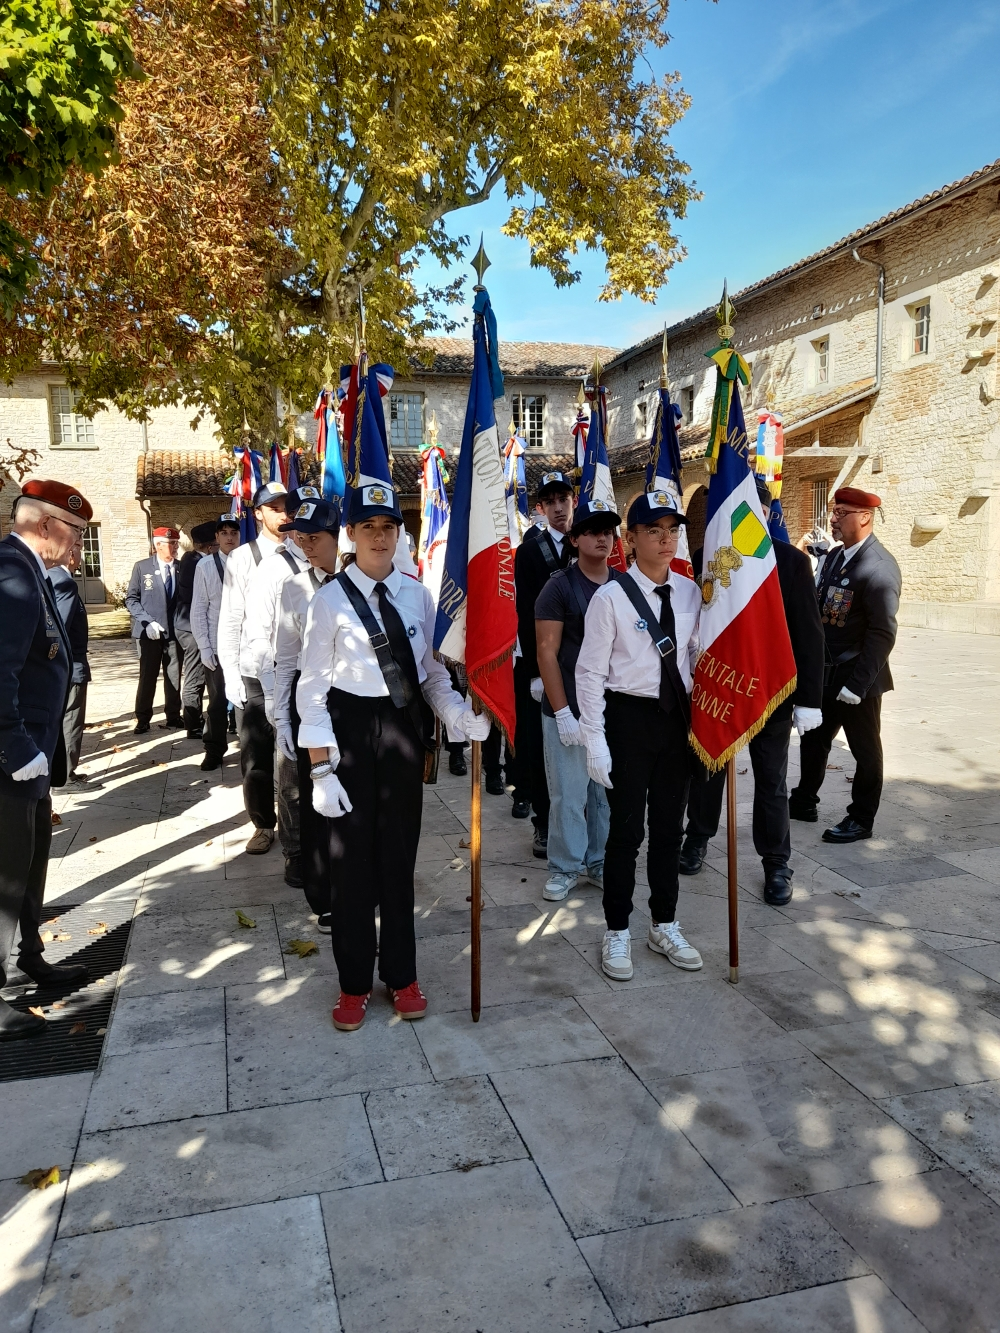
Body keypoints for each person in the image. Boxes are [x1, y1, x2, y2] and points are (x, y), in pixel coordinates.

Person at [296, 481, 489, 1032]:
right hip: (350, 735)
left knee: (398, 863)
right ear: (350, 535)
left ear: (398, 534)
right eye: (368, 528)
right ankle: (354, 983)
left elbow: (430, 674)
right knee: (352, 868)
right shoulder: (329, 600)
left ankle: (401, 973)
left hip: (402, 735)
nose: (379, 537)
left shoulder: (416, 594)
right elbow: (311, 691)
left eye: (389, 528)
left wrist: (455, 716)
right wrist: (321, 769)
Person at [678, 477, 825, 904]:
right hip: (721, 685)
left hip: (771, 693)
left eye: (753, 509)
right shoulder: (706, 558)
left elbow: (809, 635)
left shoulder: (792, 563)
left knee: (772, 782)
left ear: (765, 512)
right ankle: (698, 837)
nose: (746, 518)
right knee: (707, 767)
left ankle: (776, 862)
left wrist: (810, 700)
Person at [576, 491, 703, 982]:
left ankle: (664, 923)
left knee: (670, 830)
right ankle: (617, 928)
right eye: (654, 530)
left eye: (673, 529)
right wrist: (596, 739)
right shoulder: (610, 597)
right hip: (628, 721)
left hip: (677, 722)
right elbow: (588, 674)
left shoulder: (691, 592)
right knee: (626, 833)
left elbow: (697, 661)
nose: (667, 539)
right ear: (630, 540)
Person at [0, 480, 91, 1040]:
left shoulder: (30, 570)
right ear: (45, 525)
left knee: (30, 863)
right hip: (12, 760)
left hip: (31, 755)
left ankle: (29, 954)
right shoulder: (13, 572)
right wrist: (14, 746)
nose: (80, 547)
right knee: (6, 877)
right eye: (76, 534)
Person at [789, 486, 902, 843]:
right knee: (815, 739)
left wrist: (858, 684)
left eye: (841, 513)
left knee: (866, 751)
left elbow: (883, 633)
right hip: (827, 671)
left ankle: (861, 819)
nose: (833, 520)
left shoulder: (879, 567)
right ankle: (805, 799)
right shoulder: (838, 556)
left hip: (857, 677)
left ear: (865, 517)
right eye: (833, 512)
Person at [534, 499, 617, 902]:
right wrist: (563, 712)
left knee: (603, 791)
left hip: (610, 709)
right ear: (575, 538)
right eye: (592, 531)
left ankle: (599, 861)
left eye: (608, 531)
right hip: (567, 707)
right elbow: (546, 652)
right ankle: (565, 866)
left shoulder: (623, 584)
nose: (602, 538)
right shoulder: (559, 586)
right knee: (568, 792)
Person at [216, 481, 292, 855]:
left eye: (287, 506)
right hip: (255, 672)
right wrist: (231, 673)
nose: (284, 513)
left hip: (295, 669)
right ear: (258, 513)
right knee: (257, 756)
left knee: (298, 751)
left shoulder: (302, 549)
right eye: (274, 507)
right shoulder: (242, 558)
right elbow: (230, 619)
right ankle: (263, 824)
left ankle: (300, 821)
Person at [274, 498, 340, 926]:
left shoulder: (362, 581)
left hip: (352, 696)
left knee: (355, 797)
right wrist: (281, 715)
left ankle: (359, 885)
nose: (305, 546)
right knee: (317, 799)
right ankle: (327, 894)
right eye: (300, 538)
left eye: (314, 537)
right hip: (307, 699)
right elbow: (285, 655)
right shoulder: (295, 587)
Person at [243, 489, 313, 885]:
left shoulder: (339, 562)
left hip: (330, 687)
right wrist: (274, 696)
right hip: (287, 680)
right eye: (297, 527)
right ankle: (295, 851)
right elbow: (258, 637)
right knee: (289, 780)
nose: (304, 537)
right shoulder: (273, 569)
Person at [511, 471, 575, 851]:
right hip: (540, 660)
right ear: (540, 508)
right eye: (549, 502)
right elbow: (524, 611)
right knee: (538, 746)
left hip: (580, 661)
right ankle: (543, 820)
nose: (557, 507)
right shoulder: (530, 551)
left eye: (562, 499)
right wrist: (535, 672)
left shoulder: (588, 540)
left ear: (573, 500)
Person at [191, 515, 241, 772]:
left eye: (234, 532)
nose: (229, 537)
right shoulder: (206, 566)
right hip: (218, 645)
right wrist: (204, 647)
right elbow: (198, 609)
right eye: (224, 533)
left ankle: (249, 746)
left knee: (248, 700)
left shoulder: (250, 562)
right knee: (218, 702)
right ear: (217, 537)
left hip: (246, 644)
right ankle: (214, 748)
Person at [50, 546, 101, 791]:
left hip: (64, 665)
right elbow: (59, 629)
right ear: (71, 555)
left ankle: (63, 771)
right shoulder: (65, 583)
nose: (81, 555)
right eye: (79, 550)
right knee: (71, 720)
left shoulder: (53, 577)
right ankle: (67, 775)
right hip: (71, 665)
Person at [125, 525, 183, 734]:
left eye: (176, 543)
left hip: (174, 633)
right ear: (157, 545)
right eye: (171, 543)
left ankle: (174, 716)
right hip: (148, 633)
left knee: (174, 675)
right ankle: (142, 718)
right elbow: (131, 599)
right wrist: (146, 621)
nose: (175, 547)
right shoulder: (142, 567)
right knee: (148, 676)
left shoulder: (180, 567)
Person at [174, 521, 220, 740]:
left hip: (186, 625)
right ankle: (192, 723)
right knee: (195, 675)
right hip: (191, 627)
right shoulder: (197, 563)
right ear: (210, 546)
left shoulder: (190, 559)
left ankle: (194, 720)